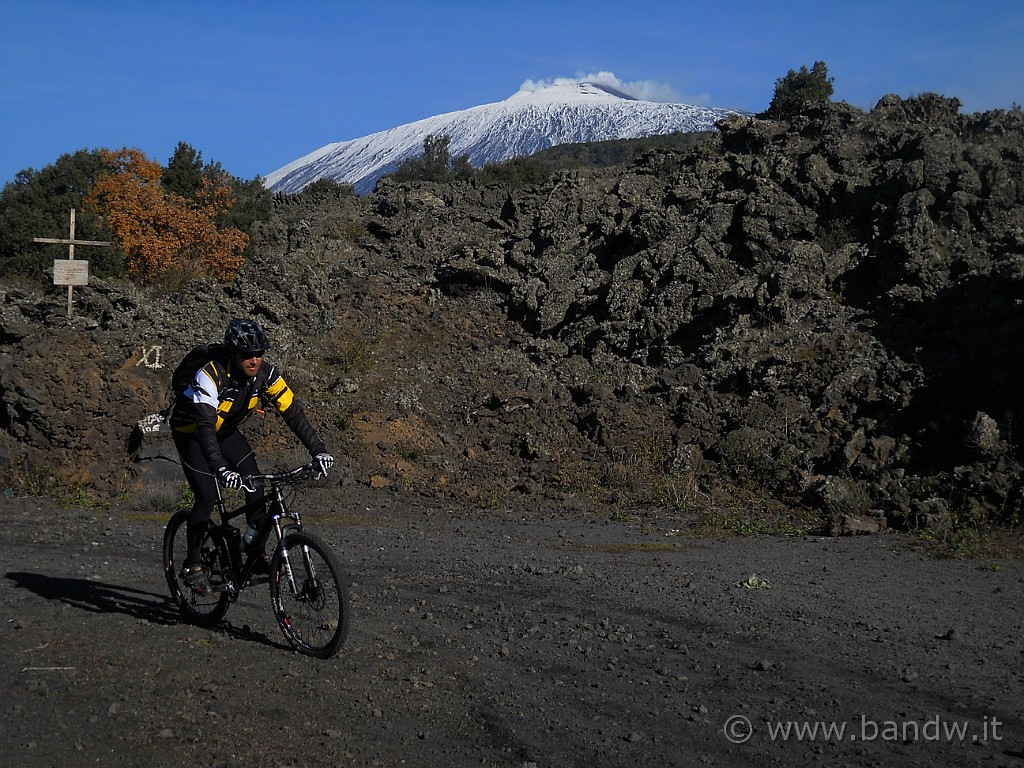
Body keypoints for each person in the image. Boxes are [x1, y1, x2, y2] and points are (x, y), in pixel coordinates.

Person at [169, 318, 333, 593]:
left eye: (259, 353)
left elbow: (292, 412)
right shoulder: (210, 375)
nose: (254, 359)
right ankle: (193, 564)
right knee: (207, 496)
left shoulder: (266, 375)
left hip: (225, 430)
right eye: (247, 354)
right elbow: (206, 426)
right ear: (233, 353)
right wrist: (220, 468)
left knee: (254, 479)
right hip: (192, 432)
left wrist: (319, 451)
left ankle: (251, 544)